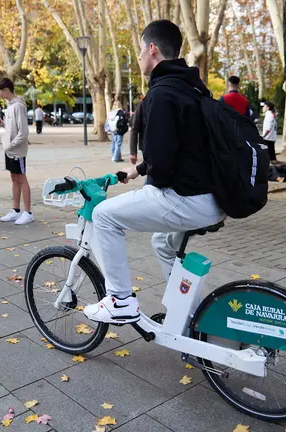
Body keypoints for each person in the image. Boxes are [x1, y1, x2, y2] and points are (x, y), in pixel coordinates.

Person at [82, 19, 225, 324]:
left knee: (104, 215)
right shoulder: (193, 86)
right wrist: (139, 169)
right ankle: (190, 320)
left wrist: (150, 174)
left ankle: (119, 300)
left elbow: (162, 169)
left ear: (152, 49)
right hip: (216, 197)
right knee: (162, 243)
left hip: (187, 198)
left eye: (139, 51)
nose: (138, 58)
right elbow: (183, 147)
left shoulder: (161, 93)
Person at [0, 78, 33, 225]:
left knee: (22, 178)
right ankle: (16, 210)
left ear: (6, 90)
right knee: (14, 178)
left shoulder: (18, 106)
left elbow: (23, 132)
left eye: (0, 91)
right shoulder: (10, 106)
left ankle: (28, 212)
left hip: (17, 151)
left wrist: (10, 145)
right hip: (10, 149)